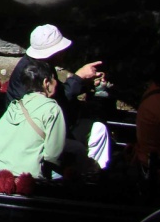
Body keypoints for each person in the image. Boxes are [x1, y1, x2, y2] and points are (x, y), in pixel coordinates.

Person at [6, 24, 112, 169]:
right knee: (79, 148)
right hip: (36, 136)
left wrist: (84, 83)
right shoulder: (32, 72)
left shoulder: (42, 66)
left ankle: (94, 172)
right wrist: (79, 77)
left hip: (49, 127)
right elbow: (55, 102)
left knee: (98, 129)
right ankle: (90, 173)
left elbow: (59, 95)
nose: (64, 53)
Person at [0, 60, 66, 178]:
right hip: (29, 178)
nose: (56, 83)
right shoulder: (52, 109)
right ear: (46, 82)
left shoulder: (12, 107)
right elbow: (53, 155)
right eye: (54, 78)